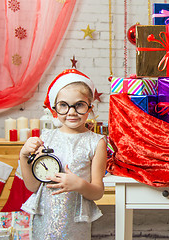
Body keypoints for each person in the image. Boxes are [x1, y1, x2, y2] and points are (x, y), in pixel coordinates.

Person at [19, 69, 107, 240]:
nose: (71, 112)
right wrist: (23, 156)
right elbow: (33, 187)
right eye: (64, 105)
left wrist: (79, 184)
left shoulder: (96, 142)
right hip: (44, 219)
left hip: (76, 222)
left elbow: (97, 192)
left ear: (90, 107)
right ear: (55, 108)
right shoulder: (45, 138)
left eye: (79, 105)